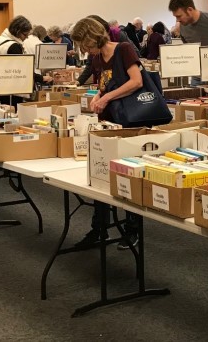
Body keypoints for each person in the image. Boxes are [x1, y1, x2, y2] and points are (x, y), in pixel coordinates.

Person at [71, 17, 142, 249]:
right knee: (100, 175)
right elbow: (104, 86)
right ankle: (99, 228)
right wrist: (99, 97)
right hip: (107, 123)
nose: (85, 50)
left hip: (129, 122)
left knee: (128, 177)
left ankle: (132, 230)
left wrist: (108, 96)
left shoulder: (124, 50)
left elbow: (136, 82)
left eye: (85, 44)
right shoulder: (97, 58)